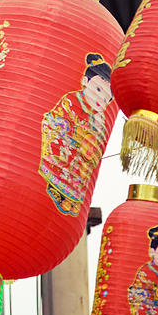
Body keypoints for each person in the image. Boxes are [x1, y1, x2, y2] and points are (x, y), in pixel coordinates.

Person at [39, 53, 113, 216]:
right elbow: (59, 119)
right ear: (85, 82)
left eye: (107, 98)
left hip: (80, 155)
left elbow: (96, 145)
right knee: (67, 156)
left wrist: (97, 129)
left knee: (82, 168)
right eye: (99, 90)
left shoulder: (98, 118)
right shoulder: (72, 100)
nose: (100, 99)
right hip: (66, 145)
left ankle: (70, 198)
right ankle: (58, 191)